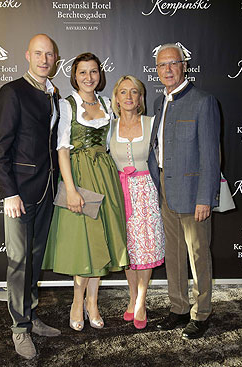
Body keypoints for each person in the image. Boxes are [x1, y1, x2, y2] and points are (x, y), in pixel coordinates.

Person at [42, 52, 129, 332]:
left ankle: (93, 302)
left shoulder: (107, 103)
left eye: (93, 72)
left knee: (100, 243)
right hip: (79, 178)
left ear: (99, 75)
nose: (89, 77)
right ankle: (77, 301)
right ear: (74, 75)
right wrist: (70, 189)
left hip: (105, 177)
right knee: (84, 246)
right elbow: (62, 149)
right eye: (82, 72)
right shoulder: (67, 105)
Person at [0, 34, 61, 359]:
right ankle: (19, 329)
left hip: (46, 191)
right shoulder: (12, 92)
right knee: (18, 263)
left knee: (33, 261)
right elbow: (0, 148)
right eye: (38, 53)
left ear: (55, 60)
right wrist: (9, 194)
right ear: (27, 56)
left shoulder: (52, 95)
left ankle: (31, 316)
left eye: (49, 54)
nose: (44, 59)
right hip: (19, 194)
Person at [148, 43, 220, 339]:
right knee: (174, 254)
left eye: (173, 63)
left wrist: (205, 197)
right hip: (165, 187)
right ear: (157, 70)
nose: (167, 69)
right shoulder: (157, 102)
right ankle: (178, 308)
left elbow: (211, 155)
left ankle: (201, 314)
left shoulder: (203, 101)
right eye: (162, 65)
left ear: (184, 66)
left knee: (198, 255)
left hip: (193, 193)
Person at [109, 75, 165, 330]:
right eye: (123, 92)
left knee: (146, 249)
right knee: (129, 250)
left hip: (148, 193)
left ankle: (141, 300)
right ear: (116, 98)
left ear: (140, 98)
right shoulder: (109, 127)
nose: (129, 96)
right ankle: (132, 298)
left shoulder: (152, 123)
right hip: (120, 193)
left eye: (134, 92)